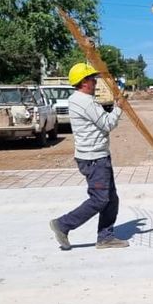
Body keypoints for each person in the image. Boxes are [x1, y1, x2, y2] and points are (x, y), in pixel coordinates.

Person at [49, 63, 128, 250]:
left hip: (95, 156)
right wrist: (119, 108)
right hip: (94, 159)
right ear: (84, 82)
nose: (95, 82)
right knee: (100, 199)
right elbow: (107, 124)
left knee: (111, 198)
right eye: (92, 79)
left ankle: (105, 237)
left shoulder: (78, 99)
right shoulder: (85, 101)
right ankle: (63, 224)